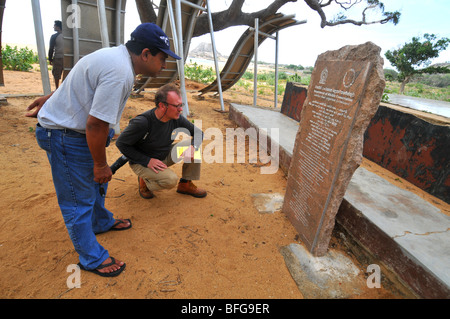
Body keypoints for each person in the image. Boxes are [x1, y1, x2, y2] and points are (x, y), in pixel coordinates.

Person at [26, 23, 181, 277]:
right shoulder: (120, 72)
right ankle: (91, 257)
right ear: (145, 54)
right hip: (67, 136)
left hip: (78, 133)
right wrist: (100, 165)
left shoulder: (114, 58)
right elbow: (96, 124)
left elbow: (82, 83)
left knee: (98, 185)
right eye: (162, 58)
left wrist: (54, 97)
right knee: (78, 199)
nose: (164, 65)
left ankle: (100, 221)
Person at [116, 83, 207, 200]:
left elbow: (199, 133)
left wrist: (193, 148)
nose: (181, 109)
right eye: (177, 105)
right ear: (162, 106)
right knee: (170, 180)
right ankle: (146, 181)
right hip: (142, 162)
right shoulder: (142, 122)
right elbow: (121, 143)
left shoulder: (176, 117)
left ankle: (185, 184)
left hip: (163, 155)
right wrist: (147, 161)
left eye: (181, 104)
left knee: (194, 146)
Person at [48, 20, 64, 89]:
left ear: (58, 27)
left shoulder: (54, 36)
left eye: (54, 26)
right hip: (67, 58)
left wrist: (50, 58)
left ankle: (57, 88)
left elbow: (51, 48)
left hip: (58, 58)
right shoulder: (67, 36)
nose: (53, 27)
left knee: (56, 75)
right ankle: (63, 88)